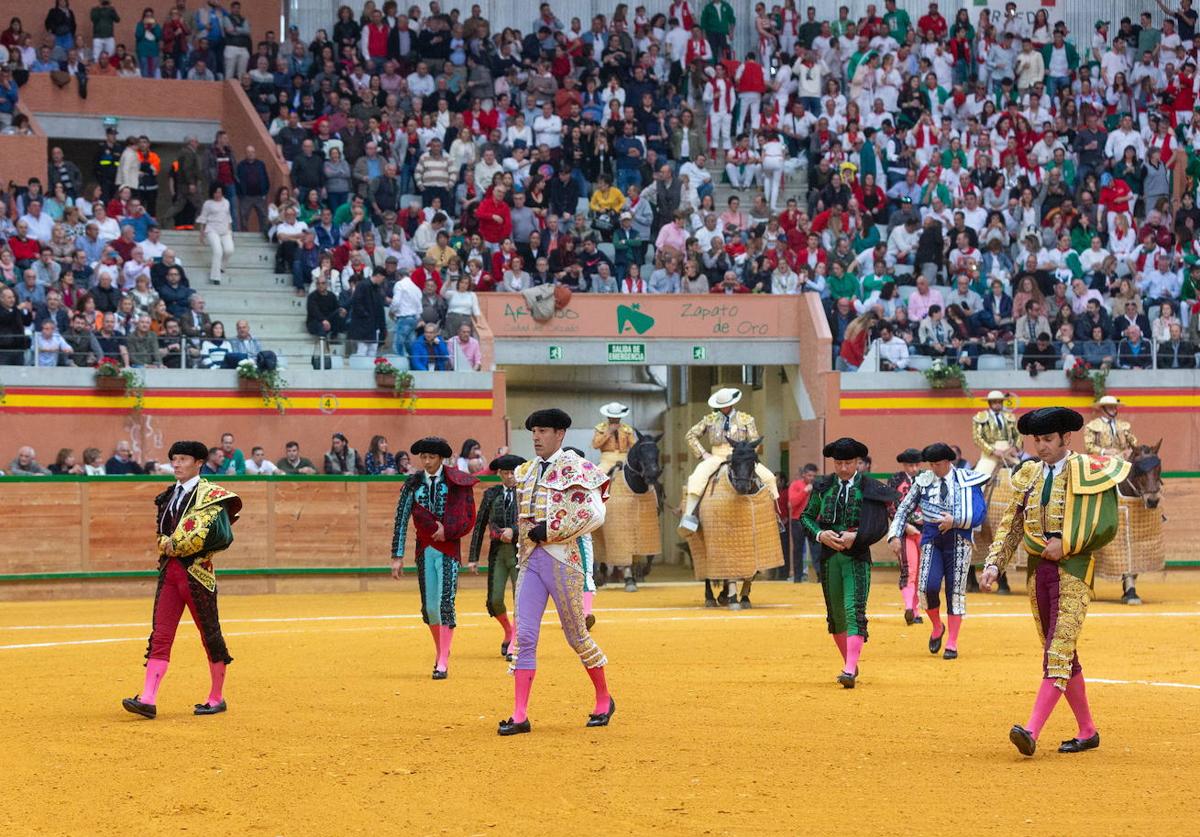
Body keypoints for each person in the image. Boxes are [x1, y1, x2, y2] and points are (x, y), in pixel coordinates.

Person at [981, 407, 1130, 757]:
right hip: (1038, 573)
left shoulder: (1090, 469)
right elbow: (1012, 524)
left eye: (1048, 439)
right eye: (1037, 440)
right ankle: (1088, 730)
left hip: (1074, 569)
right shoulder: (1029, 473)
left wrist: (1068, 543)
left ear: (1067, 438)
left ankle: (1031, 731)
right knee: (1062, 653)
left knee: (1058, 651)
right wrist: (994, 564)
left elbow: (1106, 524)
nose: (1041, 446)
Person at [500, 408, 613, 736]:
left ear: (560, 434)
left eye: (543, 431)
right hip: (531, 562)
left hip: (564, 560)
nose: (536, 436)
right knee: (524, 637)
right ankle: (519, 714)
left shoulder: (577, 467)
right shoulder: (525, 471)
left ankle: (604, 698)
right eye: (534, 431)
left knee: (577, 635)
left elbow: (594, 514)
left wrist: (549, 529)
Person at [122, 440, 242, 719]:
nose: (176, 464)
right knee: (160, 635)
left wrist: (180, 545)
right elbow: (161, 535)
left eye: (183, 459)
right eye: (174, 459)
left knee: (210, 634)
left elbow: (222, 537)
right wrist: (169, 546)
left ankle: (216, 697)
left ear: (199, 462)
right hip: (169, 573)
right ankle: (148, 699)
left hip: (197, 573)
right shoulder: (167, 497)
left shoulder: (212, 495)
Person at [800, 437, 898, 689]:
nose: (843, 468)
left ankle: (848, 668)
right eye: (839, 463)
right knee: (836, 616)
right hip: (829, 558)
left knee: (854, 610)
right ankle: (850, 664)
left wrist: (856, 536)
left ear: (859, 463)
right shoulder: (823, 486)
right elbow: (807, 517)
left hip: (856, 557)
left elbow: (878, 526)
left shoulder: (870, 488)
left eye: (849, 463)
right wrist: (821, 534)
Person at [887, 443, 988, 659]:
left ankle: (952, 642)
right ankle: (937, 626)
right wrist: (895, 534)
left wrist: (956, 521)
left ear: (948, 462)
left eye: (937, 464)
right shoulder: (924, 480)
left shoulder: (968, 479)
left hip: (959, 539)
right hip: (932, 538)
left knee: (955, 591)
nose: (933, 468)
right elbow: (904, 508)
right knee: (926, 587)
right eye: (931, 464)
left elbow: (979, 512)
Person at [390, 436, 478, 680]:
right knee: (430, 607)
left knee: (445, 603)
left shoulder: (454, 482)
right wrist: (397, 556)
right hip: (424, 549)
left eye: (431, 458)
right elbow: (401, 518)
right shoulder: (413, 483)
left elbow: (467, 516)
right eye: (424, 457)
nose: (426, 462)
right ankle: (441, 652)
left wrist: (448, 531)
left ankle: (442, 660)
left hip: (448, 549)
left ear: (441, 458)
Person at [680, 387, 776, 531]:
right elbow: (690, 435)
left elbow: (755, 439)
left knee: (769, 478)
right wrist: (703, 454)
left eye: (725, 405)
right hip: (716, 456)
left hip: (742, 456)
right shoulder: (709, 419)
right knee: (696, 478)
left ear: (731, 404)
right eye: (720, 406)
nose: (723, 408)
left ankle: (774, 518)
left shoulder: (746, 419)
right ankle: (689, 518)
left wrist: (746, 454)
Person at [1083, 395, 1141, 604]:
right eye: (1110, 406)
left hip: (1122, 464)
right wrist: (1107, 451)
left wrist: (1129, 450)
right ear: (1103, 408)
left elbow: (1135, 444)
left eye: (1115, 406)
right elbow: (1089, 445)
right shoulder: (1093, 426)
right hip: (1102, 463)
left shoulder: (1124, 425)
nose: (1114, 409)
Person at [468, 453, 526, 660]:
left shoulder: (527, 493)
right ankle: (509, 631)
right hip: (498, 553)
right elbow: (480, 525)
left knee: (520, 600)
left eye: (513, 472)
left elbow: (534, 520)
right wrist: (473, 557)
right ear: (499, 474)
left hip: (521, 554)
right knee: (494, 601)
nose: (510, 476)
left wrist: (513, 531)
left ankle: (516, 641)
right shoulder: (491, 494)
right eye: (506, 472)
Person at [887, 448, 924, 626]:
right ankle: (909, 607)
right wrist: (905, 525)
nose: (914, 468)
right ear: (904, 465)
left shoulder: (926, 479)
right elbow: (890, 506)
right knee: (910, 570)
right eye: (910, 465)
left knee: (919, 573)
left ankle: (915, 611)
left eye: (917, 465)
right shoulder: (896, 480)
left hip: (924, 532)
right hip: (904, 532)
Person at [972, 390, 1023, 476]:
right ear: (989, 403)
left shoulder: (1009, 417)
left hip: (1008, 452)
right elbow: (977, 438)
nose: (997, 404)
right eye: (994, 402)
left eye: (1000, 401)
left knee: (1024, 474)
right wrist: (992, 451)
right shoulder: (981, 417)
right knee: (979, 479)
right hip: (989, 455)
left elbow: (1017, 435)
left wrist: (1015, 448)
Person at [196, 184, 234, 285]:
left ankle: (222, 267)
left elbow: (228, 216)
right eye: (216, 192)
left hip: (225, 230)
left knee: (229, 250)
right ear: (212, 193)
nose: (218, 194)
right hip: (212, 229)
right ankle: (215, 277)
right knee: (218, 251)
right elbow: (203, 218)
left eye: (220, 192)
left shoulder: (226, 202)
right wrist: (201, 234)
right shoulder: (208, 203)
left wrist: (230, 230)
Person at [591, 402, 636, 472]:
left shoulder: (627, 429)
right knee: (598, 474)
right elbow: (595, 445)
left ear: (620, 417)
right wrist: (608, 432)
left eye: (617, 417)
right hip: (606, 460)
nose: (615, 419)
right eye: (612, 417)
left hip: (624, 459)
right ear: (608, 417)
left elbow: (634, 446)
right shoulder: (601, 428)